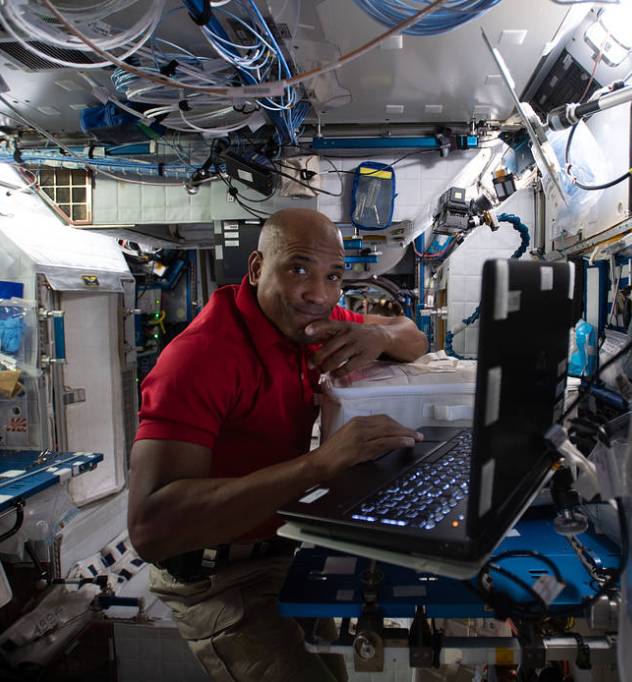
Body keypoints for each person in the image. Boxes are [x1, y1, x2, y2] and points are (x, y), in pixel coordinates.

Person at [128, 208, 427, 681]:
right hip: (217, 578)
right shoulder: (200, 358)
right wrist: (320, 465)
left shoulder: (308, 325)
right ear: (256, 269)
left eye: (334, 277)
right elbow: (151, 529)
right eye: (299, 268)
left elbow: (415, 338)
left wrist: (374, 335)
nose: (319, 294)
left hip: (286, 551)